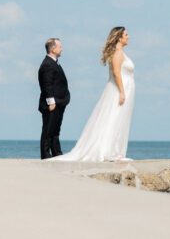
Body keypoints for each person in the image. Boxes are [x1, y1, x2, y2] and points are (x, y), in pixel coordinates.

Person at [48, 27, 135, 162]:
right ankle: (110, 151)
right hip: (120, 90)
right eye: (126, 34)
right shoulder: (117, 53)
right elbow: (117, 73)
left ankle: (115, 150)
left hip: (124, 89)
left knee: (119, 119)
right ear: (119, 37)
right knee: (114, 118)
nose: (128, 37)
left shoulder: (120, 53)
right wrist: (122, 92)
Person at [37, 37, 69, 159]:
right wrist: (51, 101)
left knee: (55, 129)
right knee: (48, 129)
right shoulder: (47, 64)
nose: (62, 49)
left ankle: (56, 152)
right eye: (60, 47)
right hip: (52, 103)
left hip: (59, 102)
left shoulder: (54, 63)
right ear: (53, 49)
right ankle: (45, 154)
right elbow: (47, 84)